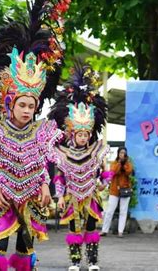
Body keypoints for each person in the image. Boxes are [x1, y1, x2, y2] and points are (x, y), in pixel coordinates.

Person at [0, 0, 68, 271]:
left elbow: (51, 160)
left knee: (25, 255)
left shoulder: (42, 131)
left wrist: (48, 184)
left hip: (34, 199)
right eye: (22, 105)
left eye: (32, 106)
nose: (28, 110)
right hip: (1, 197)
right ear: (9, 103)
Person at [48, 65, 110, 271]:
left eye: (86, 134)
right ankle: (75, 261)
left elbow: (104, 170)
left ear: (90, 134)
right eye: (79, 134)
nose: (83, 138)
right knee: (74, 229)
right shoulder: (63, 153)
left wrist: (104, 183)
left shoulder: (97, 150)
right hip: (73, 197)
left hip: (92, 195)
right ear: (73, 134)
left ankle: (92, 261)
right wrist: (59, 195)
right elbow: (59, 177)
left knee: (91, 228)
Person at [100, 147, 133, 238]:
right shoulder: (114, 163)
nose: (122, 154)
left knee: (123, 211)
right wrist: (119, 163)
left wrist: (124, 164)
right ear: (118, 154)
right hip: (114, 190)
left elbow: (128, 172)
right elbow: (114, 172)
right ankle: (104, 230)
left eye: (124, 153)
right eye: (121, 152)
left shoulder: (128, 164)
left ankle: (120, 231)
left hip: (125, 189)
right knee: (109, 211)